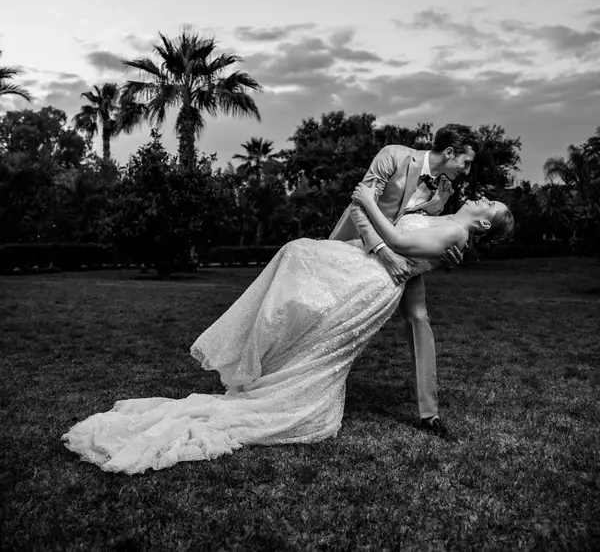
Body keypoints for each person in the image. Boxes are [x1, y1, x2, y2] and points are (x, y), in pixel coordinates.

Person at [61, 194, 513, 474]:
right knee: (297, 268)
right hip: (365, 268)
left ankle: (276, 383)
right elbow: (417, 220)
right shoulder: (446, 216)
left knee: (300, 266)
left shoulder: (454, 231)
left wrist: (366, 199)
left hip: (372, 282)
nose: (485, 196)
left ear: (486, 224)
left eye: (491, 203)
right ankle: (268, 365)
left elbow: (399, 241)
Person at [330, 124, 480, 438]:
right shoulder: (394, 156)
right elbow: (360, 204)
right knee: (326, 314)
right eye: (465, 162)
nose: (466, 170)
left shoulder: (444, 191)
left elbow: (428, 230)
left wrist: (448, 257)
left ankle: (430, 414)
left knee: (419, 318)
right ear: (449, 152)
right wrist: (384, 252)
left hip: (404, 264)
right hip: (356, 248)